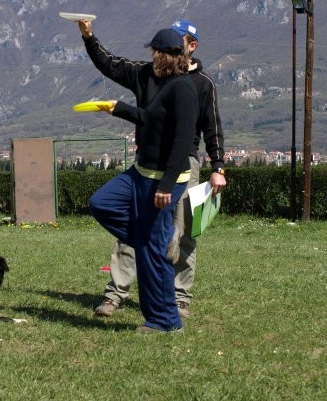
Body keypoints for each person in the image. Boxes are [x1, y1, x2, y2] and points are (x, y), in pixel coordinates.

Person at [79, 18, 226, 322]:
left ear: (190, 46)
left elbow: (211, 129)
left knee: (182, 231)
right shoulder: (146, 74)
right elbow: (109, 65)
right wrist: (89, 36)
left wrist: (218, 166)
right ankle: (116, 292)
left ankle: (179, 298)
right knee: (134, 226)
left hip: (182, 165)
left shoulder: (200, 85)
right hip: (146, 165)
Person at [91, 28, 197, 332]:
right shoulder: (164, 85)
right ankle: (153, 242)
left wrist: (166, 185)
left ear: (164, 55)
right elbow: (152, 119)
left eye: (154, 53)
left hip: (162, 181)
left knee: (153, 254)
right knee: (101, 203)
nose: (151, 57)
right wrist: (118, 109)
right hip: (140, 174)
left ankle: (165, 322)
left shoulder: (183, 89)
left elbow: (181, 142)